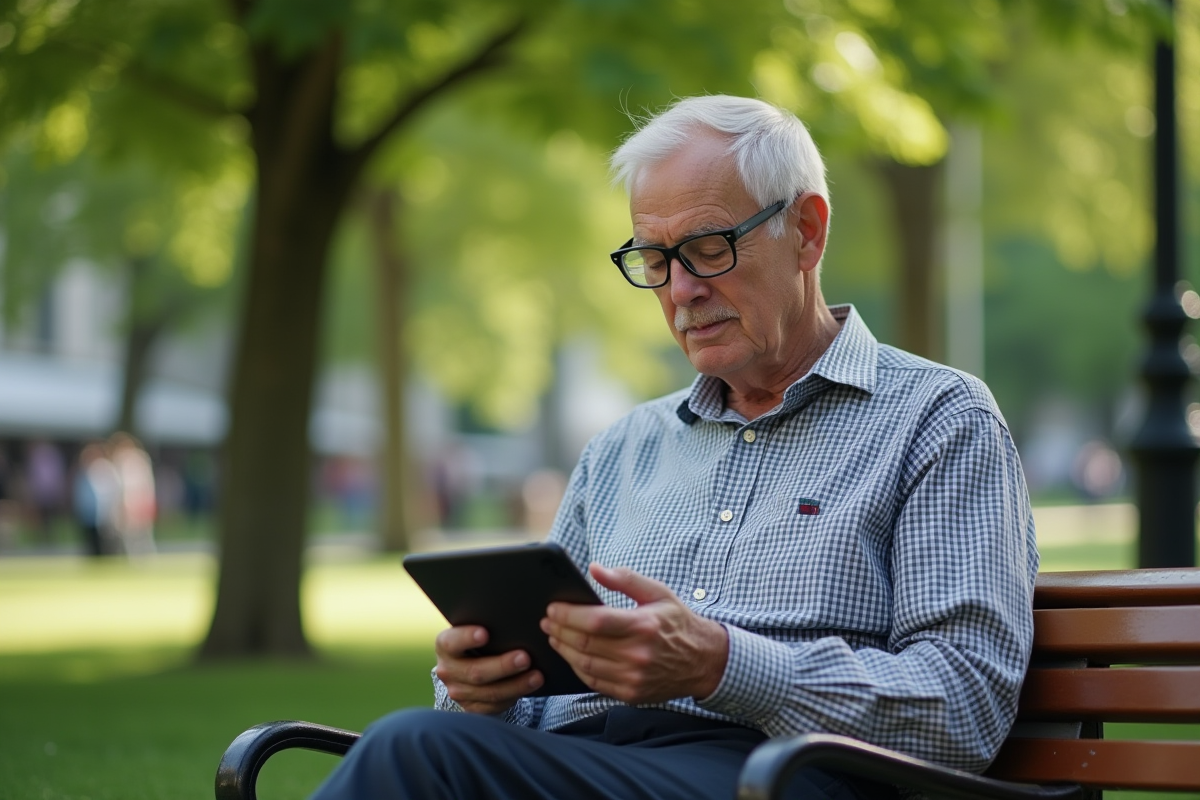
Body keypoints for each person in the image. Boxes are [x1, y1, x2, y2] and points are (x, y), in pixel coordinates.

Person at [310, 95, 1037, 800]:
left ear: (808, 232)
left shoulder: (938, 418)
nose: (680, 289)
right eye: (654, 259)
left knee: (414, 750)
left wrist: (722, 665)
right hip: (582, 764)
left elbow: (964, 706)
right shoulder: (622, 448)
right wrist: (483, 687)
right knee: (428, 741)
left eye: (707, 248)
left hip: (776, 773)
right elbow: (526, 694)